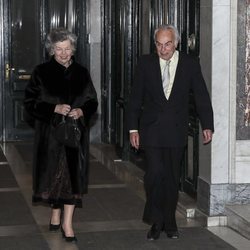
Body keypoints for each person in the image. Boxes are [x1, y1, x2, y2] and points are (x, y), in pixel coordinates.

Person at [127, 24, 214, 241]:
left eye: (167, 44)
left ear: (176, 43)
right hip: (152, 130)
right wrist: (132, 128)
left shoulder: (190, 64)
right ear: (155, 44)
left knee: (172, 178)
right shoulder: (145, 64)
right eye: (159, 44)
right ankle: (157, 220)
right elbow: (135, 98)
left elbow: (201, 96)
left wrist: (207, 125)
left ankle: (170, 222)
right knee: (155, 173)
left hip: (176, 130)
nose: (163, 49)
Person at [24, 28, 98, 243]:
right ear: (51, 50)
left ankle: (67, 224)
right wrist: (53, 109)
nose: (64, 53)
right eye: (59, 49)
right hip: (50, 137)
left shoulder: (81, 73)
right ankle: (55, 213)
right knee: (53, 178)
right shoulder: (41, 72)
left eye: (67, 49)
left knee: (71, 180)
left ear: (73, 49)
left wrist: (82, 111)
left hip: (75, 136)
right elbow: (29, 104)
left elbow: (92, 101)